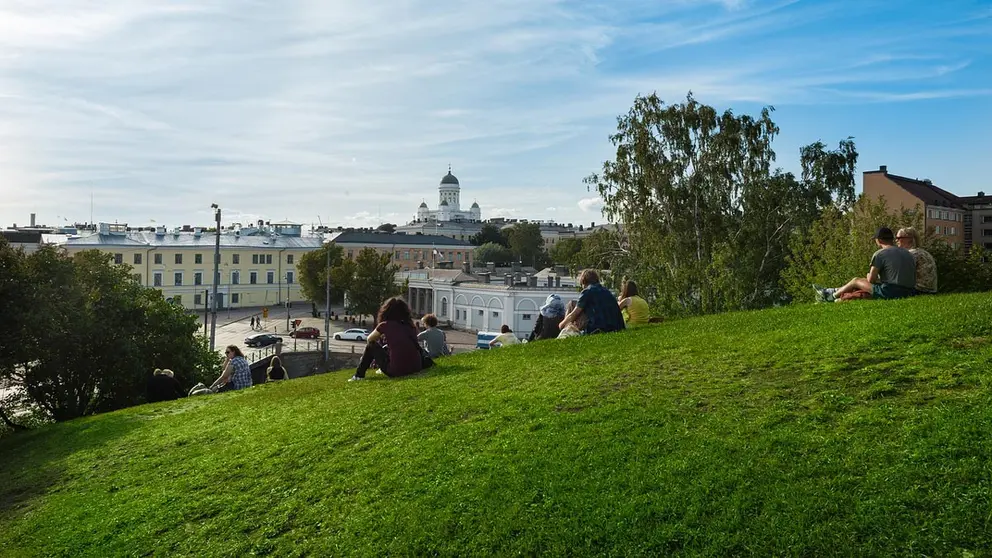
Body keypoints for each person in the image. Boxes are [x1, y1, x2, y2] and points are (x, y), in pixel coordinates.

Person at [814, 227, 917, 302]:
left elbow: (871, 280)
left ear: (879, 240)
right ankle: (835, 292)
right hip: (910, 292)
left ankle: (830, 296)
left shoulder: (880, 254)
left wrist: (868, 276)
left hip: (890, 292)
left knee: (856, 280)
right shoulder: (907, 253)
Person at [350, 297, 422, 381]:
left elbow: (370, 339)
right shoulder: (410, 325)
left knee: (371, 345)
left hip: (396, 371)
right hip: (416, 367)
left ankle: (359, 375)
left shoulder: (385, 325)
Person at [559, 269, 625, 335]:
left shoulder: (587, 292)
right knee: (573, 303)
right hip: (616, 327)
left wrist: (561, 324)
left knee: (571, 304)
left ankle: (565, 331)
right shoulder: (607, 291)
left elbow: (575, 313)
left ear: (583, 281)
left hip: (599, 328)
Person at [897, 227, 938, 295]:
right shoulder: (925, 253)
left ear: (909, 239)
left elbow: (901, 276)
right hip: (932, 291)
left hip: (917, 291)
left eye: (899, 238)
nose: (896, 240)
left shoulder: (910, 254)